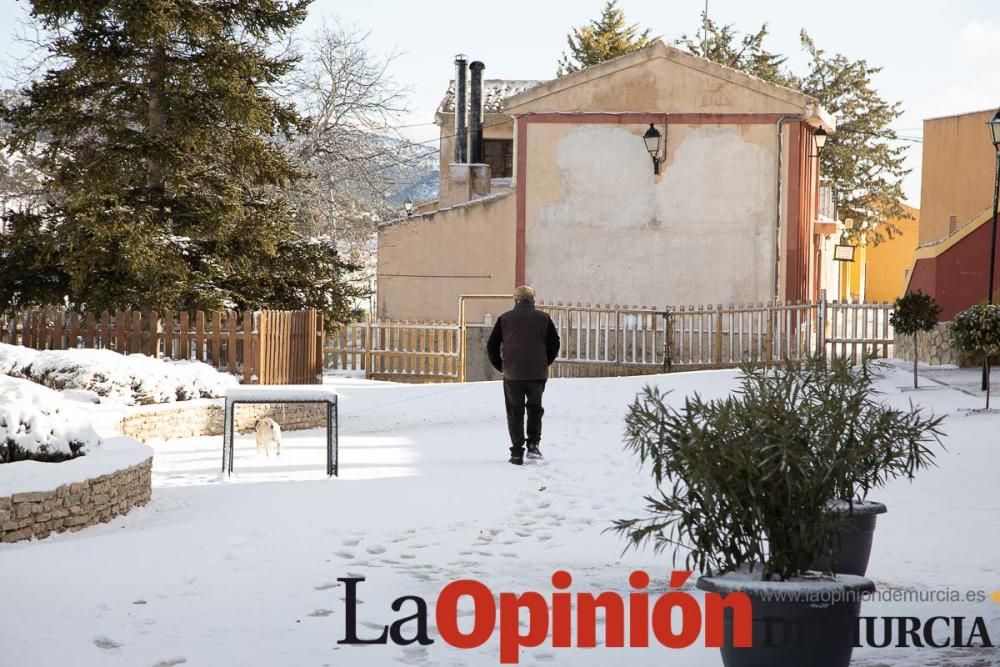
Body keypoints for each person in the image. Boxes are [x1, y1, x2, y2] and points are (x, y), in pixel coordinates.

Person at [487, 286, 561, 465]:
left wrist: (502, 366)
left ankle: (517, 453)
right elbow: (554, 343)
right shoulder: (544, 318)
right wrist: (545, 362)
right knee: (535, 408)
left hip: (513, 374)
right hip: (537, 373)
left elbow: (492, 345)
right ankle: (534, 445)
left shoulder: (504, 319)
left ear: (516, 300)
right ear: (533, 300)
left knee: (515, 412)